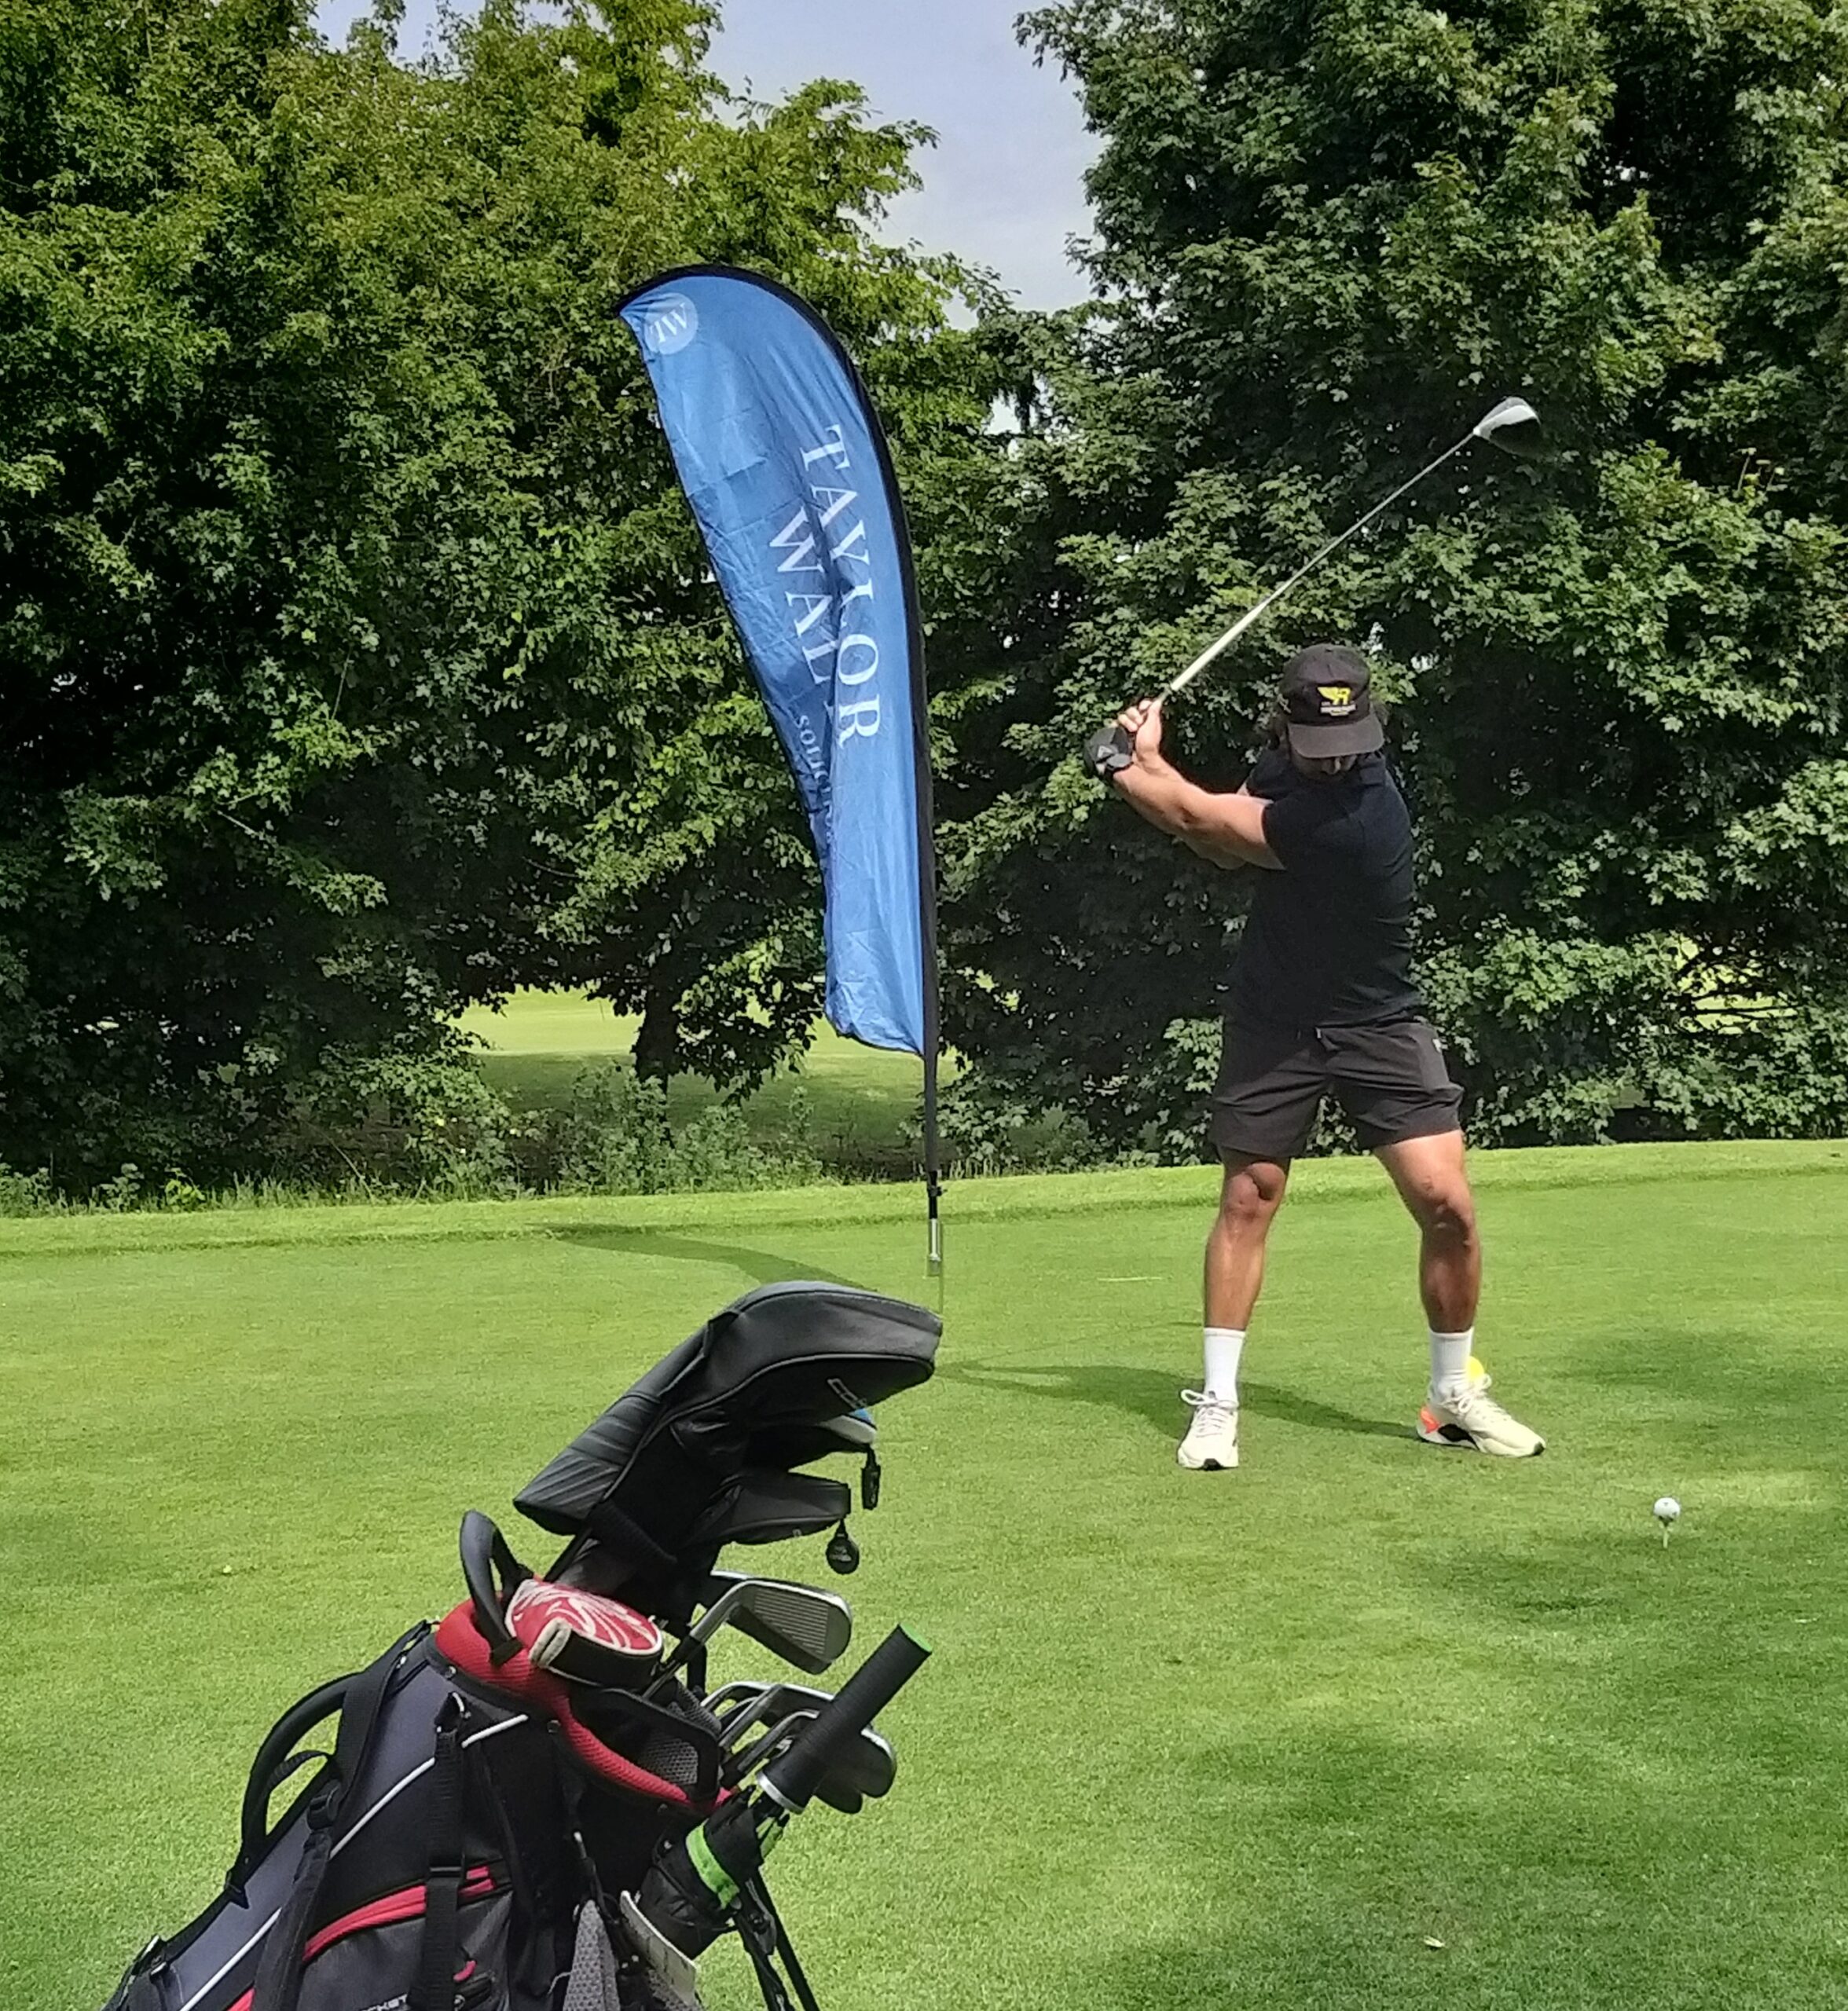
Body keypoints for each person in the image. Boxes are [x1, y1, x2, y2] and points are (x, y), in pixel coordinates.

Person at [1106, 643, 1544, 1471]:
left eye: (1347, 741)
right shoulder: (1285, 771)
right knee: (1251, 1193)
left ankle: (1453, 1396)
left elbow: (1204, 820)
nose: (1335, 758)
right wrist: (1153, 763)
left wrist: (1125, 768)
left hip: (1378, 1017)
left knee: (1446, 1200)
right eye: (1318, 744)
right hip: (1276, 1018)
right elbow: (1220, 836)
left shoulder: (1364, 815)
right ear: (1292, 726)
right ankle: (1219, 1400)